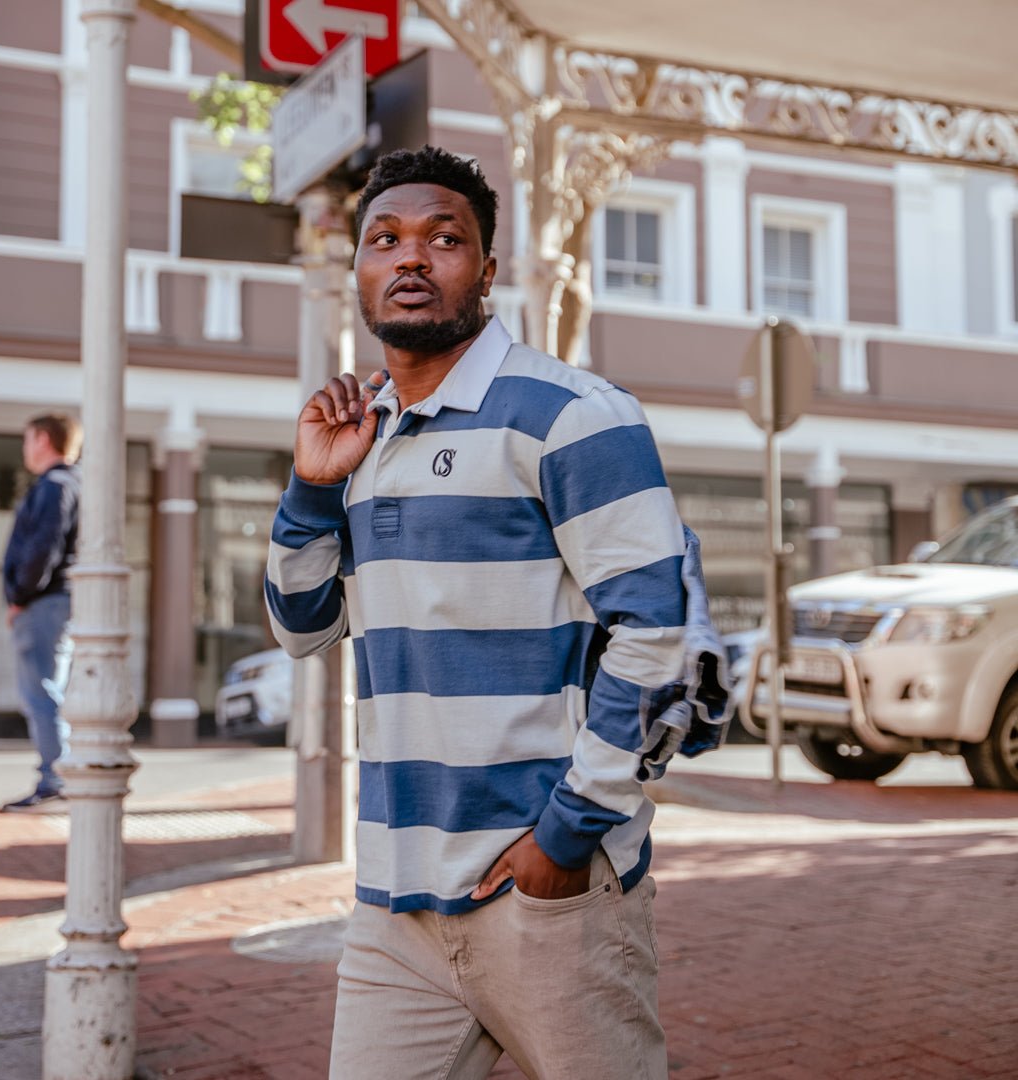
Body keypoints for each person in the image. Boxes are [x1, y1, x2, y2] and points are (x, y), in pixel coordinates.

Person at [266, 146, 724, 1079]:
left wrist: (566, 837)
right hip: (395, 904)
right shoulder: (368, 432)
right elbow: (302, 625)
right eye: (384, 239)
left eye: (445, 238)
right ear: (357, 267)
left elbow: (657, 634)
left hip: (547, 894)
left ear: (487, 268)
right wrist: (314, 489)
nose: (410, 259)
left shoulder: (571, 415)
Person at [1, 413, 82, 810]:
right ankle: (58, 775)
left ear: (44, 440)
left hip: (43, 603)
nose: (25, 448)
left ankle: (56, 778)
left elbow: (42, 549)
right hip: (53, 601)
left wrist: (20, 596)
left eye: (27, 439)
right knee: (48, 690)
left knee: (41, 692)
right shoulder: (71, 483)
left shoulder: (55, 486)